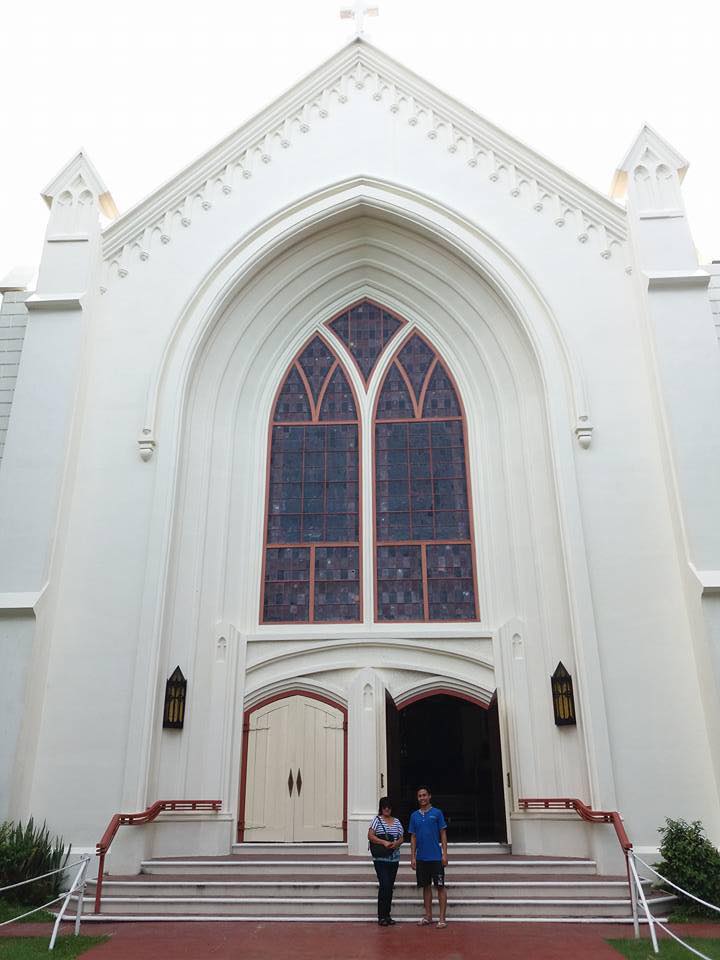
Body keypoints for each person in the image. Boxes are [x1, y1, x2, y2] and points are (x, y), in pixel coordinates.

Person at [409, 785, 448, 928]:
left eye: (424, 795)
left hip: (436, 858)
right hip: (421, 858)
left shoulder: (437, 813)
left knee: (440, 887)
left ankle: (442, 918)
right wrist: (413, 856)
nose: (422, 798)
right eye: (420, 796)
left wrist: (444, 853)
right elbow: (413, 837)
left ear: (429, 796)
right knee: (426, 887)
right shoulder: (414, 816)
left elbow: (443, 833)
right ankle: (428, 916)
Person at [368, 797, 404, 926]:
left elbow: (401, 837)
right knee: (384, 884)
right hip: (380, 858)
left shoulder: (397, 821)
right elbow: (370, 835)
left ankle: (387, 915)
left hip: (394, 858)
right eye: (384, 807)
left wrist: (396, 843)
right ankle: (381, 916)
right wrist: (383, 842)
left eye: (389, 806)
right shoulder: (376, 820)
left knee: (390, 887)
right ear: (381, 808)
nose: (387, 809)